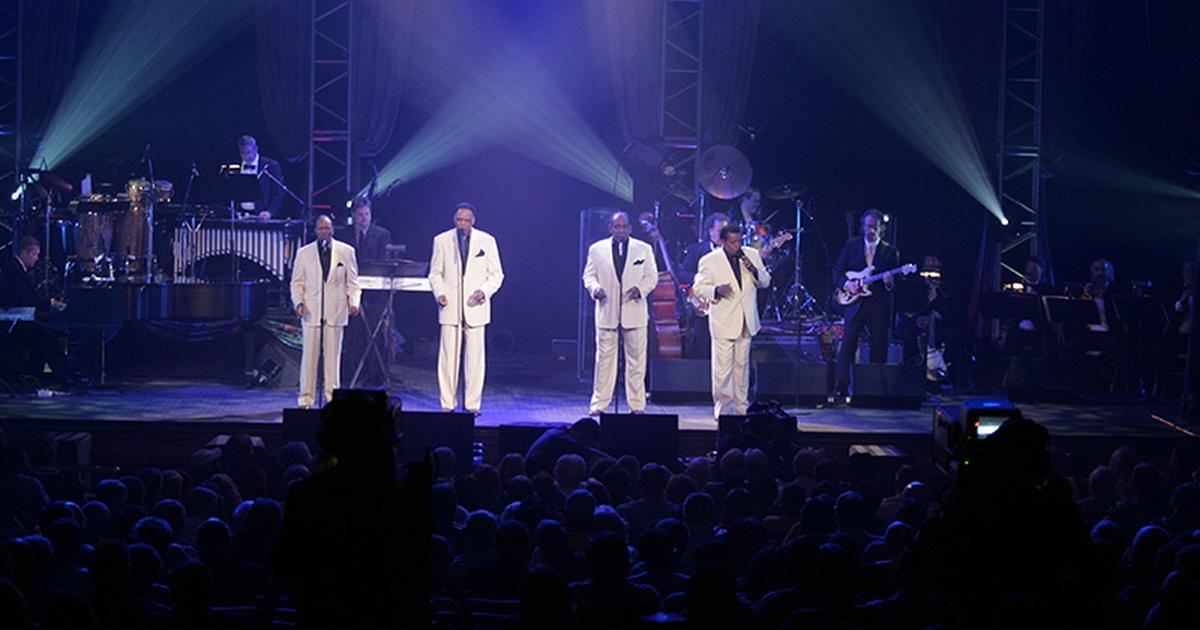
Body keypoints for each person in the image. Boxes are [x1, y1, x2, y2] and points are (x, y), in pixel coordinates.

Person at [429, 203, 504, 414]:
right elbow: (435, 273)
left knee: (475, 360)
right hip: (450, 307)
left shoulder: (487, 241)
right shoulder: (442, 240)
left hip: (476, 306)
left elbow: (497, 274)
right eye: (459, 220)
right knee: (447, 359)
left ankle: (472, 404)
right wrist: (439, 293)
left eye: (466, 220)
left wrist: (484, 291)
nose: (462, 224)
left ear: (473, 221)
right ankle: (447, 403)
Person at [582, 211, 659, 415]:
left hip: (634, 312)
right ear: (610, 228)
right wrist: (595, 289)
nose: (621, 230)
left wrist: (640, 290)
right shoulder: (596, 249)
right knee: (604, 361)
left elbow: (652, 277)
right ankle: (599, 404)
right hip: (607, 312)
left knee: (636, 362)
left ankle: (637, 405)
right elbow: (588, 276)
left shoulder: (644, 249)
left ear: (630, 229)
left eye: (624, 226)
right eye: (617, 226)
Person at [693, 224, 770, 417]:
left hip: (747, 320)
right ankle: (723, 411)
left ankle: (741, 409)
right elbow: (698, 287)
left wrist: (753, 270)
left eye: (740, 241)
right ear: (723, 241)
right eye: (733, 242)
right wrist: (716, 290)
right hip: (724, 321)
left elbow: (765, 281)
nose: (737, 245)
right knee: (722, 370)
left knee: (742, 368)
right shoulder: (710, 260)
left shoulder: (751, 254)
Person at [290, 215, 360, 408]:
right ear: (315, 231)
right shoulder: (304, 253)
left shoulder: (346, 252)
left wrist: (353, 302)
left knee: (333, 359)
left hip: (336, 312)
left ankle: (332, 399)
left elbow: (353, 283)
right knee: (309, 358)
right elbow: (296, 283)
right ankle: (306, 400)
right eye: (321, 229)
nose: (324, 232)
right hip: (311, 311)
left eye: (327, 228)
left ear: (332, 230)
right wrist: (298, 303)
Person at [833, 209, 900, 397]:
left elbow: (897, 283)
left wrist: (889, 282)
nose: (871, 230)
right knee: (848, 345)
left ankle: (875, 389)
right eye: (868, 226)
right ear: (862, 227)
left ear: (881, 229)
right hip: (854, 303)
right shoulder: (851, 245)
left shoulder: (890, 251)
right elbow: (837, 270)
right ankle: (841, 387)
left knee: (879, 344)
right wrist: (846, 284)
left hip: (878, 305)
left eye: (875, 227)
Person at [338, 197, 393, 388]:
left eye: (367, 214)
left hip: (374, 294)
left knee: (375, 333)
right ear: (353, 215)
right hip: (351, 291)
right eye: (360, 215)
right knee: (354, 334)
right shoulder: (344, 235)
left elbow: (383, 262)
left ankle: (376, 375)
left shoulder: (382, 234)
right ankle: (354, 375)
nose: (364, 219)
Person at [1, 236, 67, 382]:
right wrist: (49, 303)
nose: (36, 259)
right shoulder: (13, 271)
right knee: (46, 336)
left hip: (18, 316)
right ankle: (60, 375)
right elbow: (21, 298)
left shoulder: (16, 269)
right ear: (25, 253)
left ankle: (34, 373)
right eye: (34, 254)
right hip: (12, 319)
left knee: (44, 334)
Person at [679, 213, 729, 359]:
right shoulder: (696, 250)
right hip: (704, 306)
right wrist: (700, 279)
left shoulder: (735, 253)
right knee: (703, 347)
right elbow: (682, 273)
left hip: (726, 306)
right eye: (720, 231)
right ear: (710, 231)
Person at [236, 135, 284, 219]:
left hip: (262, 216)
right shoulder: (236, 166)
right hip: (241, 216)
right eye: (242, 154)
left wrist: (270, 212)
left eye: (248, 152)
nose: (246, 157)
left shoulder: (270, 165)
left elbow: (279, 192)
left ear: (256, 149)